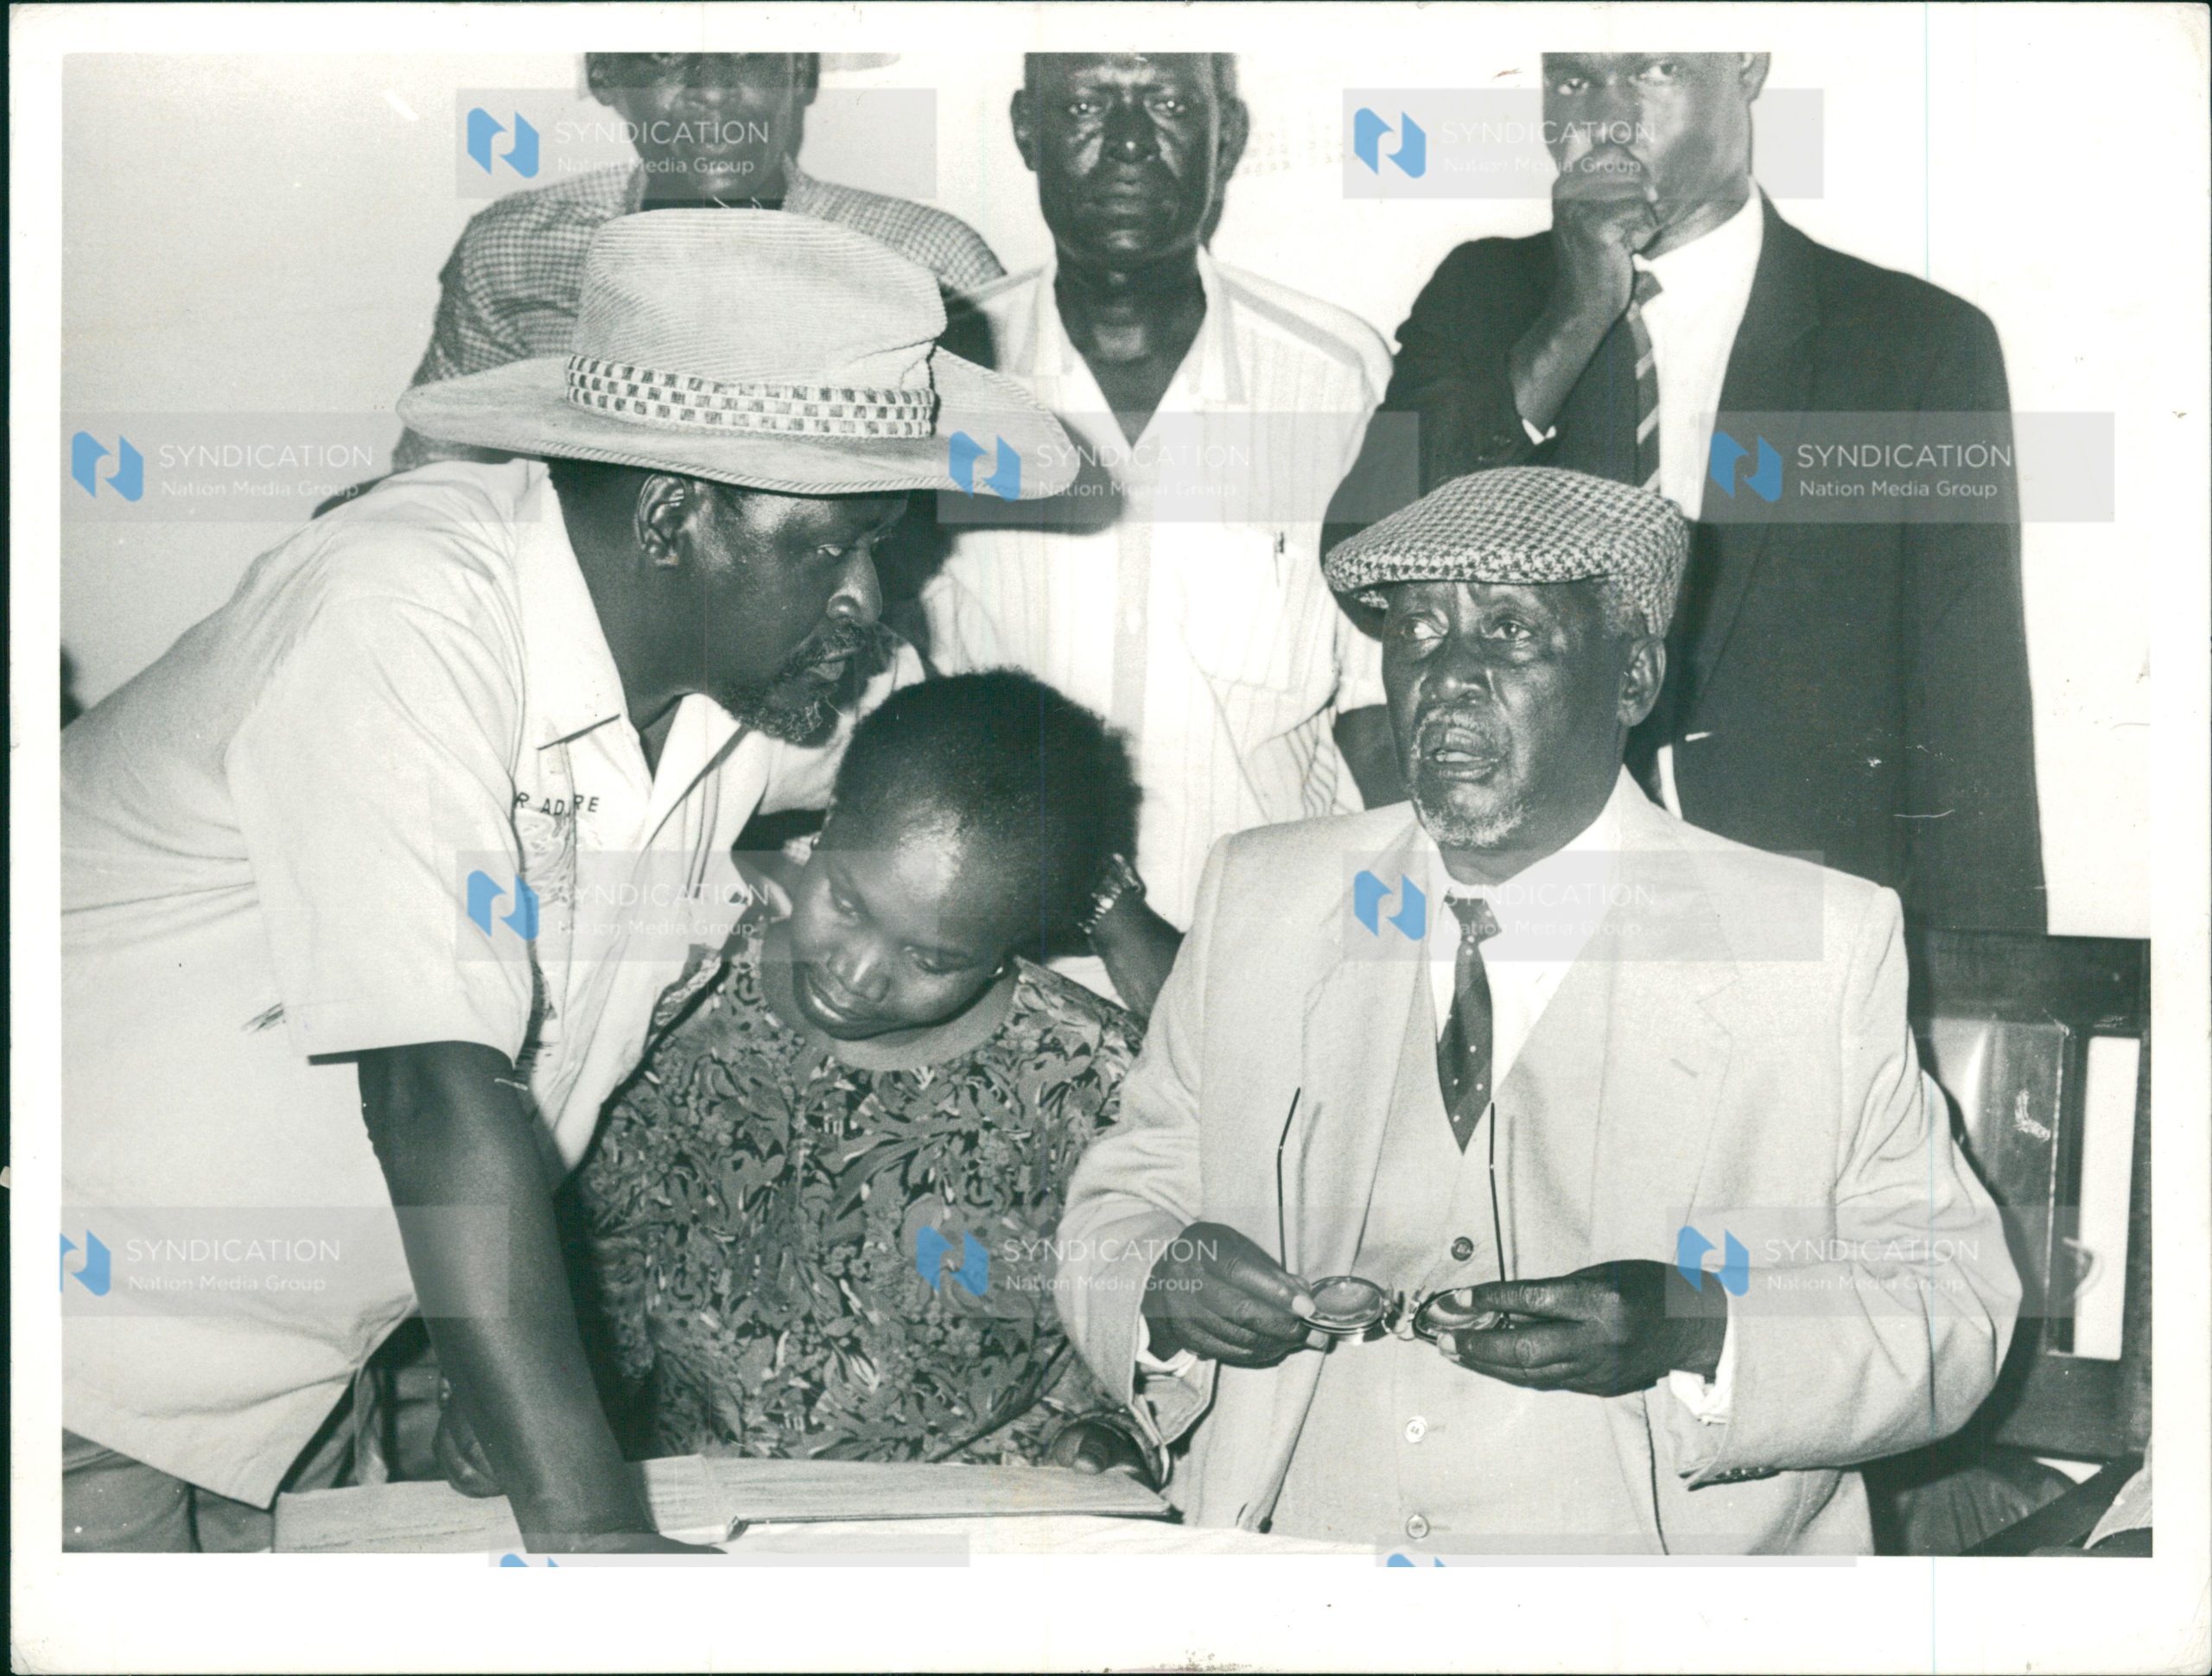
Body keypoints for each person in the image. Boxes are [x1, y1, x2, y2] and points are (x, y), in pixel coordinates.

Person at [60, 213, 1075, 1552]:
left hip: (298, 1396)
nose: (866, 596)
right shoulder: (401, 613)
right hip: (77, 1376)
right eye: (833, 544)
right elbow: (432, 1089)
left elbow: (980, 789)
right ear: (673, 516)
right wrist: (596, 1534)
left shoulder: (757, 669)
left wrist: (1120, 918)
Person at [1056, 467, 2020, 1552]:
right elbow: (1117, 1210)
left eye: (1510, 630)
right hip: (1298, 1581)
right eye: (1416, 630)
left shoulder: (1814, 943)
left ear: (1633, 675)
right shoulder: (1259, 897)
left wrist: (1697, 1328)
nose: (1449, 675)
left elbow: (1955, 1306)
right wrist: (1160, 1287)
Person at [1323, 52, 2044, 932]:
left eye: (1653, 70)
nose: (1609, 118)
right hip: (1530, 905)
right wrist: (1574, 316)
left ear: (1745, 63)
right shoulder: (1484, 294)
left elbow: (1971, 708)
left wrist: (1994, 985)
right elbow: (1366, 555)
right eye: (1575, 81)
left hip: (1802, 917)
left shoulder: (1913, 344)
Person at [916, 52, 1400, 1016]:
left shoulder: (1337, 376)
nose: (1130, 142)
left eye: (1169, 102)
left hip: (1275, 977)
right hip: (997, 984)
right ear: (1025, 128)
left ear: (1228, 130)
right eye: (1088, 102)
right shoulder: (942, 375)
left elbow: (1381, 705)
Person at [569, 670, 1147, 1469]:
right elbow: (601, 1261)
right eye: (845, 902)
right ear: (830, 821)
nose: (859, 974)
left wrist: (1105, 1437)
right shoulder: (675, 1000)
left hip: (967, 1525)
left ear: (1014, 942)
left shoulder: (1092, 1082)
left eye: (931, 958)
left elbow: (1127, 1330)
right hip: (696, 1503)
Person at [389, 51, 1004, 474]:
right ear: (602, 74)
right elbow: (441, 478)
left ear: (799, 68)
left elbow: (1000, 500)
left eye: (750, 51)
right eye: (664, 55)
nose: (712, 88)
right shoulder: (517, 248)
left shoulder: (929, 262)